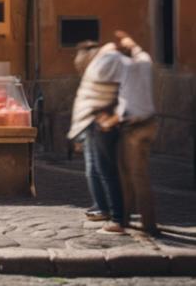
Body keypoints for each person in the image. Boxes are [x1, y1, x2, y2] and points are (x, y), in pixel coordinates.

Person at [99, 32, 158, 235]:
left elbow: (125, 107)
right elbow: (138, 49)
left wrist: (108, 123)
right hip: (150, 123)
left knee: (132, 175)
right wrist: (129, 41)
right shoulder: (144, 62)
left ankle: (143, 223)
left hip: (134, 127)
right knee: (136, 172)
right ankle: (128, 217)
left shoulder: (123, 71)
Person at [67, 39, 128, 233]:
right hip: (92, 123)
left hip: (101, 123)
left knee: (106, 170)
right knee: (93, 168)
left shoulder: (107, 66)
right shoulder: (96, 71)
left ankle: (117, 217)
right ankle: (102, 208)